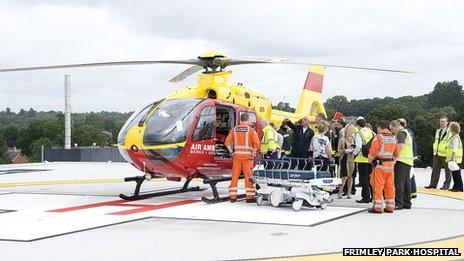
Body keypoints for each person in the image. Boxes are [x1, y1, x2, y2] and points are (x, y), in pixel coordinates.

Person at [225, 113, 261, 203]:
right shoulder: (251, 130)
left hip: (237, 157)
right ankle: (249, 197)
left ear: (240, 120)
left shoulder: (234, 129)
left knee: (235, 176)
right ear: (247, 120)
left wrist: (231, 152)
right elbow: (257, 143)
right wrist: (254, 151)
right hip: (248, 158)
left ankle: (233, 197)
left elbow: (227, 142)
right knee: (248, 176)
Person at [367, 120, 399, 213]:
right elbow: (396, 153)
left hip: (380, 166)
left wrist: (370, 160)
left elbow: (374, 151)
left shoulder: (379, 137)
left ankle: (377, 207)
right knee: (390, 187)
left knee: (378, 186)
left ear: (379, 127)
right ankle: (390, 207)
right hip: (390, 166)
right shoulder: (393, 137)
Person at [390, 120, 413, 210]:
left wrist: (394, 158)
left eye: (392, 129)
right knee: (406, 183)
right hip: (408, 161)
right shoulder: (407, 132)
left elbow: (400, 146)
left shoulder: (401, 133)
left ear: (396, 126)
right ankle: (407, 202)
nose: (391, 131)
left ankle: (399, 203)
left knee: (399, 182)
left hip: (401, 160)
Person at [426, 116, 452, 190]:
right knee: (435, 170)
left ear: (447, 122)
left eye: (444, 121)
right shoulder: (438, 131)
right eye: (441, 121)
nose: (442, 123)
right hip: (437, 153)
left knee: (447, 171)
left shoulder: (450, 131)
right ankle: (433, 184)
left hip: (446, 154)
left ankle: (446, 185)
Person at [354, 116, 375, 203]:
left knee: (364, 179)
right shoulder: (372, 132)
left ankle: (365, 197)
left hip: (362, 159)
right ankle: (373, 196)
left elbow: (358, 146)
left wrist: (354, 154)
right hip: (371, 158)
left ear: (357, 124)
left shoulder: (359, 133)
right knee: (371, 179)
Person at [398, 118, 418, 198]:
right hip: (410, 156)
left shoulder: (402, 133)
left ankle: (409, 193)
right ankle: (413, 192)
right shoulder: (409, 131)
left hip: (405, 157)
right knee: (411, 175)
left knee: (408, 177)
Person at [337, 124, 356, 198]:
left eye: (353, 130)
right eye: (350, 129)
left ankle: (349, 192)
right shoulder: (342, 139)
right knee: (344, 176)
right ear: (347, 130)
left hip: (352, 159)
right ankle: (340, 191)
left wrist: (353, 150)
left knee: (351, 176)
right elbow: (338, 150)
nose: (351, 131)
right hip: (344, 158)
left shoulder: (353, 138)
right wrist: (345, 150)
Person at [446, 122, 463, 192]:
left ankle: (459, 187)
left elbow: (454, 149)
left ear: (452, 128)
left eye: (450, 127)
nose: (449, 128)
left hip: (455, 158)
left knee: (457, 173)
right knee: (454, 173)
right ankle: (455, 186)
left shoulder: (455, 137)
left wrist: (452, 158)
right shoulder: (453, 136)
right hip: (453, 158)